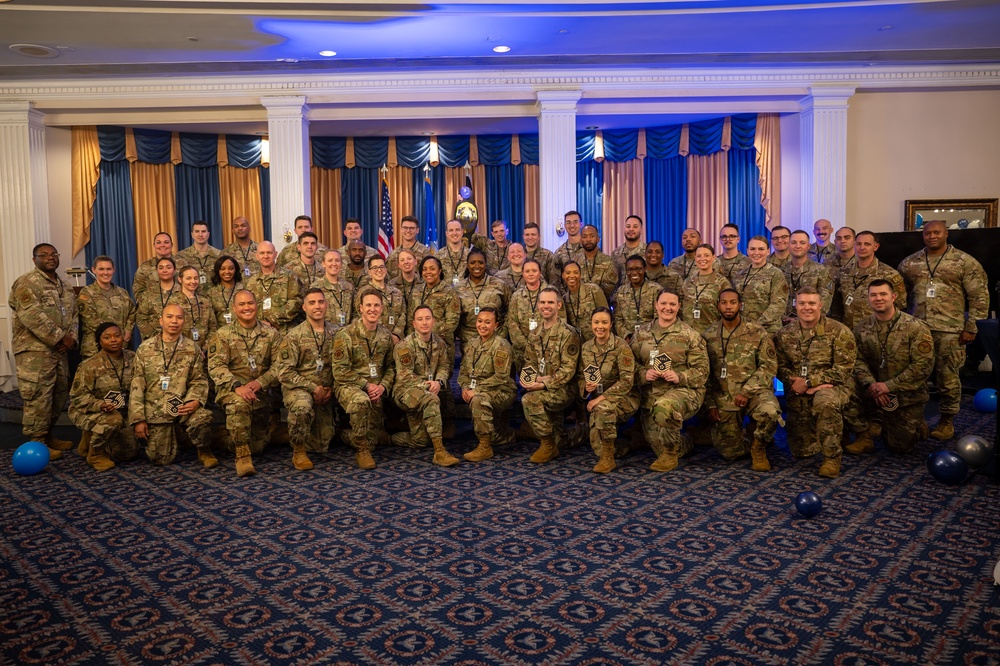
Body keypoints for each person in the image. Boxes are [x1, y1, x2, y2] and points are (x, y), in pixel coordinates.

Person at [897, 219, 989, 439]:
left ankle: (947, 421)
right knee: (915, 378)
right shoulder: (910, 263)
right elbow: (899, 296)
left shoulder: (965, 262)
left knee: (947, 378)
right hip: (917, 330)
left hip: (951, 331)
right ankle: (917, 421)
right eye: (928, 233)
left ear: (946, 233)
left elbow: (979, 296)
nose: (932, 236)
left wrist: (972, 327)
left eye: (937, 232)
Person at [774, 287, 856, 478]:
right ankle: (832, 432)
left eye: (812, 303)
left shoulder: (839, 331)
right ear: (795, 305)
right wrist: (795, 383)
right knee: (802, 451)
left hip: (833, 387)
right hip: (797, 389)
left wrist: (811, 382)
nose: (807, 308)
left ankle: (832, 458)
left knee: (825, 402)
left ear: (821, 305)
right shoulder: (784, 334)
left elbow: (844, 369)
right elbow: (778, 365)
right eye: (802, 303)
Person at [850, 279, 935, 455]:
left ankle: (917, 423)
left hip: (905, 394)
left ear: (894, 297)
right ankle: (865, 434)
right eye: (873, 295)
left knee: (899, 447)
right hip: (872, 391)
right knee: (846, 387)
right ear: (868, 299)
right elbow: (857, 360)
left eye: (883, 294)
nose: (878, 298)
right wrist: (872, 385)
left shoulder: (915, 328)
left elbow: (923, 367)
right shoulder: (861, 328)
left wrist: (888, 386)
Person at [10, 243, 79, 458]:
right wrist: (60, 337)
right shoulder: (26, 283)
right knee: (39, 397)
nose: (50, 258)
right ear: (34, 259)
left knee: (58, 395)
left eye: (53, 254)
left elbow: (74, 317)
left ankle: (48, 435)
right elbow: (32, 315)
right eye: (44, 255)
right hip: (35, 353)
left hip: (59, 352)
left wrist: (71, 339)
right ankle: (37, 442)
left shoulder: (65, 287)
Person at [630, 290, 709, 473]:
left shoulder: (690, 335)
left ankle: (670, 456)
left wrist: (679, 376)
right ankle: (689, 439)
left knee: (665, 409)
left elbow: (702, 372)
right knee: (659, 445)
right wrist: (643, 374)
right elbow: (628, 366)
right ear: (656, 305)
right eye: (664, 303)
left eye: (672, 304)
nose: (668, 308)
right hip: (651, 394)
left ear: (679, 307)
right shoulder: (642, 334)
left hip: (684, 391)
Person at [129, 303, 216, 468]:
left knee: (202, 418)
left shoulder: (192, 348)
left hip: (184, 407)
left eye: (179, 317)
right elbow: (137, 385)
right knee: (160, 459)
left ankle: (203, 449)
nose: (174, 321)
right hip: (157, 411)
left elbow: (199, 380)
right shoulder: (145, 349)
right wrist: (138, 419)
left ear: (184, 322)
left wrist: (195, 401)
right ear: (161, 321)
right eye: (169, 317)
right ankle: (180, 436)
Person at [703, 289, 780, 471]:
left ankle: (758, 447)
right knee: (730, 453)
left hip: (755, 392)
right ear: (718, 306)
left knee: (770, 412)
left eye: (733, 302)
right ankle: (747, 437)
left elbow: (768, 366)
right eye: (724, 303)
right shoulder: (708, 335)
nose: (728, 306)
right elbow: (704, 374)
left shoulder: (757, 332)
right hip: (724, 395)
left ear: (740, 305)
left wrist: (747, 391)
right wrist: (710, 404)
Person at [208, 289, 282, 476]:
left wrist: (259, 383)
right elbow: (216, 366)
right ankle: (242, 457)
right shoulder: (223, 334)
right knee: (239, 404)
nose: (247, 307)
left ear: (256, 305)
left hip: (260, 393)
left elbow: (280, 366)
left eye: (250, 303)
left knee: (258, 447)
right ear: (234, 308)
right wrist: (236, 386)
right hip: (232, 391)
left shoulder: (271, 334)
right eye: (241, 304)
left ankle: (221, 438)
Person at [274, 288, 338, 471]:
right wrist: (313, 388)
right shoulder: (294, 336)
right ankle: (298, 451)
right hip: (300, 388)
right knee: (302, 408)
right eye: (312, 303)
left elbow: (344, 366)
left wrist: (331, 388)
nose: (317, 306)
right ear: (304, 307)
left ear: (326, 305)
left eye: (320, 302)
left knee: (321, 445)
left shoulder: (337, 333)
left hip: (328, 389)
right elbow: (285, 372)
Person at [332, 288, 396, 469]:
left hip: (376, 388)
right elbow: (340, 371)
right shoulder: (346, 334)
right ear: (360, 308)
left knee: (373, 440)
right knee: (361, 401)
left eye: (376, 305)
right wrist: (366, 385)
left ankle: (341, 434)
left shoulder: (385, 336)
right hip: (349, 385)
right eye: (368, 305)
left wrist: (382, 386)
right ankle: (361, 451)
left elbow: (391, 367)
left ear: (382, 309)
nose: (372, 309)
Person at [392, 305, 461, 465]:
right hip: (406, 392)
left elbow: (445, 366)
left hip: (430, 388)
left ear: (433, 321)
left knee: (420, 441)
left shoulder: (440, 343)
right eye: (420, 319)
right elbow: (405, 376)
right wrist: (429, 386)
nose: (424, 322)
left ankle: (394, 434)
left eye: (428, 318)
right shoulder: (405, 346)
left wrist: (439, 381)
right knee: (431, 399)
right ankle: (439, 451)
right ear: (414, 323)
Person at [520, 287, 581, 464]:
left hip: (564, 389)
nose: (546, 306)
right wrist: (528, 379)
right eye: (543, 302)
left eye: (550, 302)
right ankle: (579, 432)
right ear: (538, 305)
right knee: (561, 440)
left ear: (559, 305)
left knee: (530, 400)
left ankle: (547, 445)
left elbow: (567, 372)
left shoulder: (568, 334)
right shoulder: (535, 333)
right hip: (541, 385)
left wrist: (542, 384)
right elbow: (529, 363)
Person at [577, 307, 639, 473]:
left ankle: (608, 459)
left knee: (602, 410)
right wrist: (586, 387)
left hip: (625, 397)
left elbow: (627, 381)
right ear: (591, 324)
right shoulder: (586, 348)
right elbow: (580, 377)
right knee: (597, 446)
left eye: (604, 322)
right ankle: (626, 444)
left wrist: (600, 398)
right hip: (598, 400)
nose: (600, 326)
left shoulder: (621, 347)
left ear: (611, 324)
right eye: (596, 322)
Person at [69, 322, 138, 471]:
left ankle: (89, 439)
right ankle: (95, 454)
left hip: (124, 410)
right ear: (99, 341)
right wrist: (100, 405)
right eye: (107, 337)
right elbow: (78, 397)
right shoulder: (89, 365)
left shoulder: (133, 358)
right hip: (91, 410)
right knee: (113, 420)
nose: (113, 340)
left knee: (128, 453)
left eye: (117, 336)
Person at [407, 256, 461, 435]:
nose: (428, 272)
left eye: (432, 269)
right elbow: (411, 318)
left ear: (439, 271)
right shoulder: (417, 290)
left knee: (442, 383)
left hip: (441, 346)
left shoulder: (449, 291)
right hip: (418, 346)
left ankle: (448, 420)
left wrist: (429, 332)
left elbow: (452, 321)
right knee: (422, 382)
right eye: (425, 269)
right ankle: (427, 421)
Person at [459, 308, 516, 462]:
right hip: (479, 389)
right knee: (497, 434)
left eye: (487, 322)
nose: (482, 325)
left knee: (478, 400)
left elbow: (501, 377)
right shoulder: (471, 344)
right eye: (480, 321)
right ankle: (505, 435)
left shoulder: (501, 346)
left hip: (502, 390)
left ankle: (485, 447)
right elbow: (463, 371)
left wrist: (475, 391)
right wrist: (465, 387)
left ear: (496, 325)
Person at [832, 230, 907, 331]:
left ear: (875, 247)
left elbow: (900, 305)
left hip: (876, 332)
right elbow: (837, 306)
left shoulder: (889, 274)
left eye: (867, 244)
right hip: (849, 331)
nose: (862, 248)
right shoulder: (844, 272)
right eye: (858, 244)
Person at [77, 255, 136, 358]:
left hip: (121, 347)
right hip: (95, 350)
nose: (105, 272)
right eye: (101, 269)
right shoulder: (87, 293)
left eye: (109, 269)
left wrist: (128, 331)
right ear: (94, 270)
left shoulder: (122, 292)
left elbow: (132, 312)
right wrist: (117, 335)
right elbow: (91, 320)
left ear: (114, 270)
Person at [731, 236, 788, 334]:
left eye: (761, 249)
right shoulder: (739, 275)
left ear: (768, 251)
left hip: (768, 330)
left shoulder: (775, 274)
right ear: (747, 251)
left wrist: (756, 325)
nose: (756, 253)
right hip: (742, 329)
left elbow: (778, 305)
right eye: (752, 249)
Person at [244, 241, 303, 334]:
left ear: (275, 255)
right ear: (257, 256)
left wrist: (271, 320)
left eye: (269, 253)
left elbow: (296, 302)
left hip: (285, 333)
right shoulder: (251, 282)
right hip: (259, 334)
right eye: (262, 253)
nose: (266, 256)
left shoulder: (289, 276)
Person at [457, 248, 511, 348]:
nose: (477, 266)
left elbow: (511, 310)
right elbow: (454, 317)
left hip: (496, 340)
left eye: (480, 262)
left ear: (485, 264)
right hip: (468, 342)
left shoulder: (499, 285)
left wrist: (503, 332)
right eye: (472, 263)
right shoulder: (457, 289)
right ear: (467, 265)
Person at [509, 259, 562, 359]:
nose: (531, 274)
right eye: (527, 271)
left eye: (534, 271)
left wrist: (545, 345)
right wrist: (528, 346)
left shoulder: (552, 292)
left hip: (550, 349)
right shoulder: (516, 296)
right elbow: (512, 325)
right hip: (523, 352)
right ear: (523, 274)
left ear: (540, 273)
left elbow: (561, 319)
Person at [782, 230, 832, 324]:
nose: (797, 246)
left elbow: (825, 301)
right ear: (788, 245)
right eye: (793, 243)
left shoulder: (821, 270)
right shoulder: (780, 270)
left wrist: (801, 319)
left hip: (811, 322)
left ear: (808, 246)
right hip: (783, 323)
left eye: (802, 243)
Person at [680, 244, 732, 334]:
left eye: (706, 255)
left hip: (713, 334)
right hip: (689, 335)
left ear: (714, 257)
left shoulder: (722, 283)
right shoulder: (688, 282)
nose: (702, 259)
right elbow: (680, 307)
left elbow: (728, 311)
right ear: (695, 258)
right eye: (699, 256)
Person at [355, 255, 406, 342]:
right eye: (375, 268)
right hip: (372, 340)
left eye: (382, 267)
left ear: (386, 269)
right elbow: (358, 315)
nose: (379, 270)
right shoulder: (363, 292)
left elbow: (403, 314)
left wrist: (396, 334)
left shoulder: (396, 292)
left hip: (395, 340)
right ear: (369, 272)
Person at [612, 255, 663, 340]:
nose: (634, 272)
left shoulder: (656, 290)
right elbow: (617, 319)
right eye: (630, 269)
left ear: (644, 269)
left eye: (638, 269)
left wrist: (645, 337)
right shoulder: (621, 291)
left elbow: (659, 318)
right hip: (628, 340)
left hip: (651, 339)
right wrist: (626, 336)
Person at [168, 266, 216, 347]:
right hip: (181, 350)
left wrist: (206, 347)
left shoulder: (205, 302)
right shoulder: (173, 302)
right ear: (180, 279)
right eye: (189, 278)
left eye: (196, 278)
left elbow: (213, 327)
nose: (193, 281)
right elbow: (170, 329)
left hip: (204, 350)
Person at [560, 260, 605, 343]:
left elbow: (606, 316)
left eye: (575, 272)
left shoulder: (593, 290)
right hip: (578, 344)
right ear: (563, 275)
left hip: (598, 341)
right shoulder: (564, 299)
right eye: (568, 273)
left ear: (580, 275)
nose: (572, 276)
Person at [136, 257, 178, 340]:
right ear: (157, 271)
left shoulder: (183, 292)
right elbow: (141, 318)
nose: (164, 270)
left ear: (175, 270)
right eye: (161, 268)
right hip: (153, 342)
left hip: (179, 340)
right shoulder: (148, 294)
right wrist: (156, 337)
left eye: (168, 267)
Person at [175, 220, 221, 296]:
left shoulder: (219, 255)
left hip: (215, 298)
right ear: (192, 234)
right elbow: (178, 280)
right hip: (191, 298)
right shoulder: (181, 256)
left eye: (203, 231)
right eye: (197, 231)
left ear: (208, 234)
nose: (200, 234)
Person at [313, 249, 354, 331]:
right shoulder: (316, 287)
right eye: (330, 260)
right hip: (326, 334)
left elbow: (355, 313)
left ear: (341, 264)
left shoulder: (349, 287)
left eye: (337, 260)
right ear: (323, 264)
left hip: (347, 335)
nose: (334, 264)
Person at [578, 224, 619, 300]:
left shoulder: (608, 261)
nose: (588, 239)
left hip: (602, 305)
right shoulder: (575, 262)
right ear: (580, 240)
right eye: (584, 236)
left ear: (598, 239)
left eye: (592, 236)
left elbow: (611, 287)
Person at [132, 232, 175, 301]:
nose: (162, 245)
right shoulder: (145, 266)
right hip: (153, 308)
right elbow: (138, 289)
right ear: (154, 245)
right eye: (158, 242)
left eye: (166, 242)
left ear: (172, 245)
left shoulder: (182, 264)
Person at [386, 215, 430, 281]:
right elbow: (387, 277)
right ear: (401, 229)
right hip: (396, 290)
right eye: (405, 228)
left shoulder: (424, 252)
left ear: (417, 230)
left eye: (411, 228)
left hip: (418, 290)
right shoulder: (393, 254)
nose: (408, 231)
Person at [208, 255, 242, 330]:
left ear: (236, 270)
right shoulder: (211, 293)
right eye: (223, 269)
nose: (227, 272)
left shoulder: (244, 290)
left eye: (231, 268)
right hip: (220, 334)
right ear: (218, 271)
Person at [436, 219, 471, 287]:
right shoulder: (438, 255)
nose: (454, 233)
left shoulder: (470, 254)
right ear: (447, 233)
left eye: (457, 230)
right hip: (445, 294)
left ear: (462, 232)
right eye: (451, 230)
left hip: (466, 294)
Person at [390, 248, 423, 316]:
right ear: (399, 265)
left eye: (409, 259)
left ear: (415, 261)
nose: (406, 262)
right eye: (402, 260)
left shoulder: (423, 283)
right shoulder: (391, 285)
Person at [553, 210, 584, 274]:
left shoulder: (589, 249)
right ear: (564, 226)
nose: (572, 225)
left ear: (581, 224)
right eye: (568, 222)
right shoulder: (559, 253)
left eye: (575, 222)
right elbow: (555, 280)